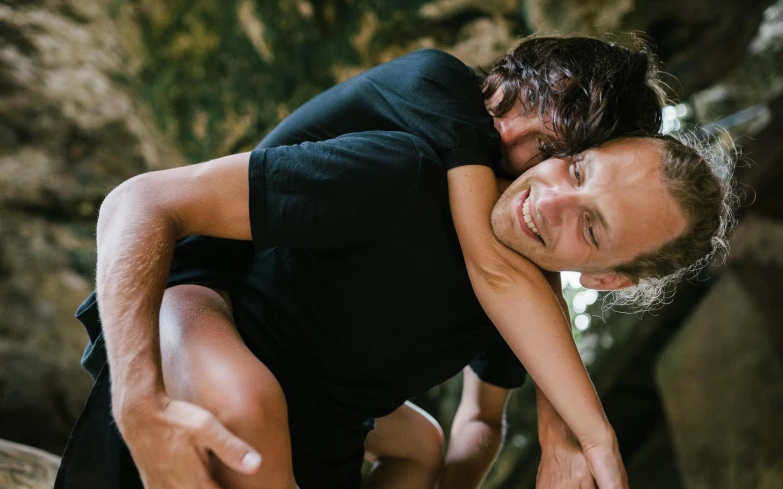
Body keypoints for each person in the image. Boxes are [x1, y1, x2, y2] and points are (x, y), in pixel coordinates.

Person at [53, 37, 734, 489]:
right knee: (247, 402)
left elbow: (486, 407)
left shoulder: (525, 285)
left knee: (423, 446)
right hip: (198, 290)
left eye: (590, 224)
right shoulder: (431, 120)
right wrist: (139, 402)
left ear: (606, 276)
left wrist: (559, 433)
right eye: (573, 168)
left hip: (321, 399)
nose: (504, 135)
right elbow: (142, 201)